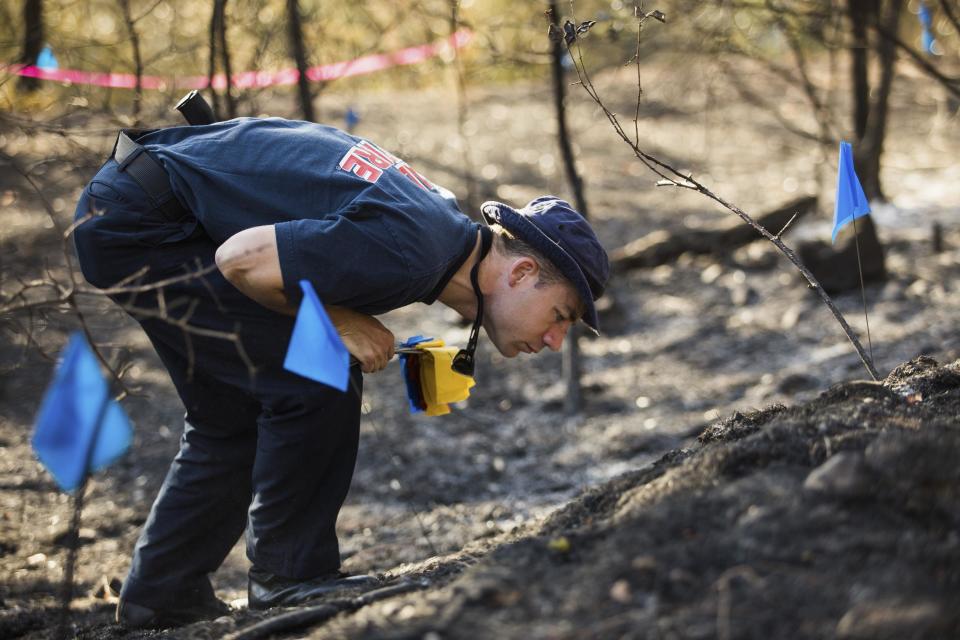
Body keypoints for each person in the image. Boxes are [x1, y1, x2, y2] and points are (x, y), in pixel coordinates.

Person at [72, 115, 609, 628]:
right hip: (147, 222)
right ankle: (289, 575)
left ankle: (161, 596)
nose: (555, 339)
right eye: (560, 316)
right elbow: (240, 259)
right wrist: (341, 321)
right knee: (316, 371)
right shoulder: (415, 250)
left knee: (230, 413)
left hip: (135, 204)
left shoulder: (438, 230)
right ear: (520, 270)